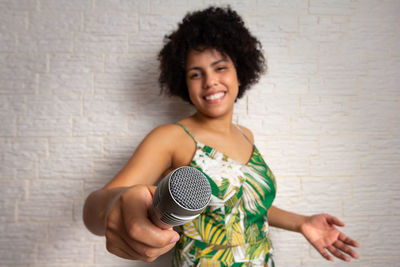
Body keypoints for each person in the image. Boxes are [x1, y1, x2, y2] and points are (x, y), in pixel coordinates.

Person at [83, 6, 359, 266]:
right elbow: (96, 207)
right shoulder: (172, 137)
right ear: (184, 84)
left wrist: (302, 222)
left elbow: (244, 206)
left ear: (240, 73)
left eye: (220, 67)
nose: (210, 81)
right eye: (195, 74)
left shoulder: (246, 135)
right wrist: (115, 205)